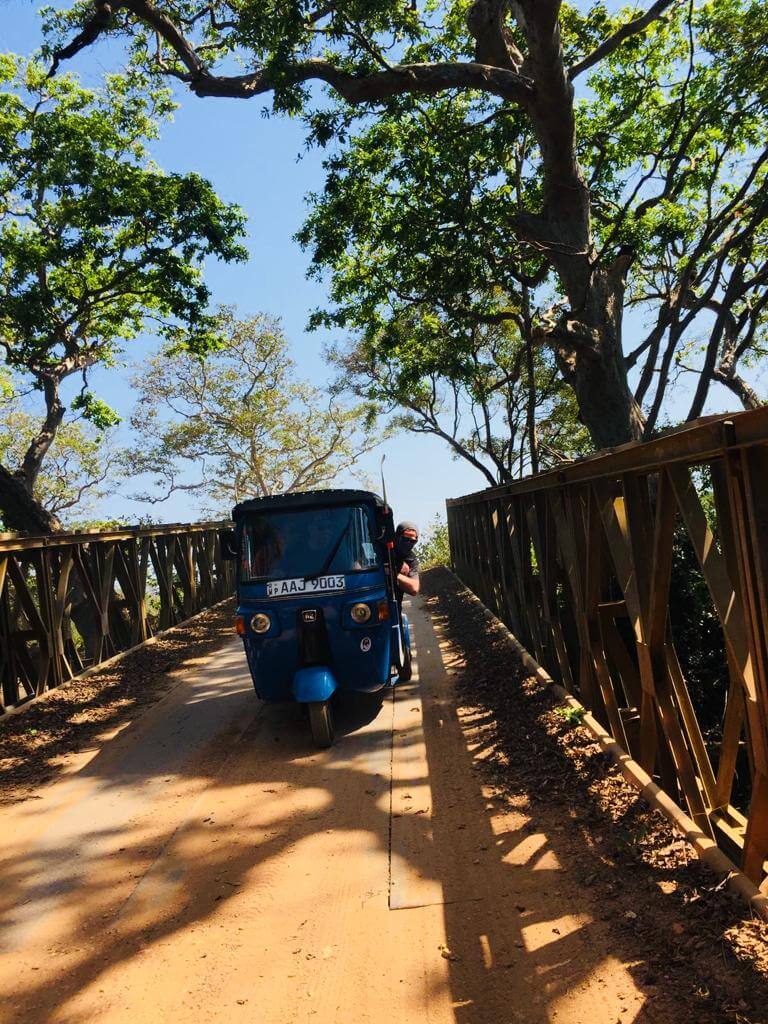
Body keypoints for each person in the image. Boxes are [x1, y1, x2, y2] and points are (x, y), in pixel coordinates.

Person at [394, 521, 420, 598]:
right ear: (397, 537)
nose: (408, 543)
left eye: (413, 541)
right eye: (405, 539)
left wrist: (394, 575)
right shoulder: (383, 550)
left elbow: (414, 589)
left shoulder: (411, 559)